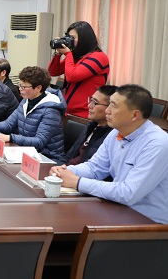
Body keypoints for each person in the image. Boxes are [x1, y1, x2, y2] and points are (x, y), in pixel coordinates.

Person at [51, 85, 168, 224]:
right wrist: (65, 171)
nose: (107, 110)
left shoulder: (157, 144)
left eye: (113, 105)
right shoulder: (116, 132)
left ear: (135, 115)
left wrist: (77, 182)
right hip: (118, 210)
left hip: (148, 223)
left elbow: (128, 193)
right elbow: (95, 168)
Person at [0, 66, 66, 162]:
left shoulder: (51, 110)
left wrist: (10, 137)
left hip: (48, 158)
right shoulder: (26, 101)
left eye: (24, 87)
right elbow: (9, 124)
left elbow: (39, 141)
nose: (20, 89)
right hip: (28, 152)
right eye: (20, 85)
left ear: (38, 88)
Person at [48, 20, 110, 118]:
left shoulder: (98, 57)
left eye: (72, 38)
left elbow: (72, 77)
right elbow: (53, 71)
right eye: (68, 37)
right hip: (68, 112)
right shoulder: (77, 57)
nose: (69, 40)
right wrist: (58, 54)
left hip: (86, 114)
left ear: (84, 39)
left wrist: (68, 54)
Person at [57, 85, 117, 166]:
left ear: (110, 107)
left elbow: (93, 168)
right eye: (91, 100)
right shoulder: (91, 126)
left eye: (95, 102)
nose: (89, 106)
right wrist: (58, 168)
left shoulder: (112, 136)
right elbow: (68, 156)